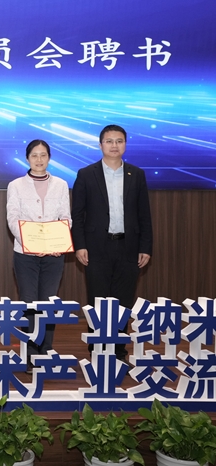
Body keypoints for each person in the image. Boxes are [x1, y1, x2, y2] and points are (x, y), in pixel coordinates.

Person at [71, 124, 153, 363]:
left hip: (129, 246)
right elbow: (78, 214)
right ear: (100, 145)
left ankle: (118, 352)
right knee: (98, 301)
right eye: (109, 141)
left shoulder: (137, 174)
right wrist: (80, 245)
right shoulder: (86, 174)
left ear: (125, 144)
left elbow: (144, 214)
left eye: (119, 141)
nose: (114, 145)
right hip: (96, 247)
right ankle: (97, 350)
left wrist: (145, 247)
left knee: (122, 302)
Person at [6, 139, 71, 372]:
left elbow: (66, 217)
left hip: (54, 253)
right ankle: (30, 352)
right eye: (34, 155)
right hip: (25, 253)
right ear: (27, 158)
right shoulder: (15, 185)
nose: (39, 159)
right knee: (29, 302)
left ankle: (46, 351)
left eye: (43, 155)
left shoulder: (61, 184)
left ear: (49, 158)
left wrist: (56, 241)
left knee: (48, 302)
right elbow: (12, 218)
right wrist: (32, 242)